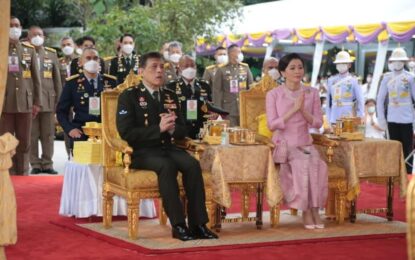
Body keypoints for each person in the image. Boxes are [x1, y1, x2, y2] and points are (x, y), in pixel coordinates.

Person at [116, 52, 217, 241]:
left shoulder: (170, 96)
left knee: (192, 165)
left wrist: (171, 131)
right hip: (142, 151)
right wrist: (158, 129)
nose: (159, 71)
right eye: (154, 67)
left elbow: (182, 129)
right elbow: (126, 133)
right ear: (141, 71)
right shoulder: (129, 96)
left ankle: (199, 225)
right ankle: (178, 225)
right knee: (166, 166)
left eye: (162, 67)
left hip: (168, 148)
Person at [266, 53, 328, 229]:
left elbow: (317, 122)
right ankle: (306, 210)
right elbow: (272, 125)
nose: (297, 71)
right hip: (284, 144)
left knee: (318, 164)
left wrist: (303, 111)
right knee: (302, 164)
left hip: (305, 143)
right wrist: (293, 110)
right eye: (292, 68)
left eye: (300, 67)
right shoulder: (274, 95)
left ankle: (315, 209)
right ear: (283, 72)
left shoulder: (312, 92)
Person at [0, 16, 42, 176]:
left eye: (17, 25)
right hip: (5, 102)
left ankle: (23, 172)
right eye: (10, 25)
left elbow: (36, 79)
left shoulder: (28, 50)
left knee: (24, 141)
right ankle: (7, 172)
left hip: (25, 102)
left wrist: (37, 102)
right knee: (6, 140)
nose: (14, 28)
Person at [56, 48, 117, 153]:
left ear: (99, 61)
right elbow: (61, 111)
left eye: (95, 58)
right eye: (88, 58)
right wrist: (70, 129)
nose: (92, 61)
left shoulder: (111, 82)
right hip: (81, 131)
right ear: (80, 62)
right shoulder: (72, 83)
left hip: (106, 131)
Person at [27, 26, 62, 174]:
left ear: (44, 37)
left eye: (39, 34)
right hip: (30, 101)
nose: (37, 37)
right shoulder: (24, 53)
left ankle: (47, 163)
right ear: (28, 37)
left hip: (48, 100)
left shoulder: (51, 54)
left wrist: (59, 103)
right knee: (32, 134)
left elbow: (57, 80)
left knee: (48, 135)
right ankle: (35, 163)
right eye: (34, 35)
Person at [166, 55, 228, 139]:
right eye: (186, 66)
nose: (190, 68)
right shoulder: (171, 87)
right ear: (179, 68)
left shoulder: (204, 85)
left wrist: (213, 114)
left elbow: (209, 106)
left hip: (201, 132)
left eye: (192, 65)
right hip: (181, 133)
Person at [377, 47, 415, 174]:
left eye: (400, 61)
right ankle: (394, 174)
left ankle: (408, 174)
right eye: (395, 61)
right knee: (393, 148)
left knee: (407, 149)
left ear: (404, 62)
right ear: (391, 62)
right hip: (392, 118)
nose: (398, 63)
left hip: (407, 118)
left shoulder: (410, 77)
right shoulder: (387, 77)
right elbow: (380, 99)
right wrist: (381, 118)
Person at [212, 44, 253, 126]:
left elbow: (251, 88)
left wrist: (251, 107)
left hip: (244, 108)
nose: (240, 54)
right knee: (231, 134)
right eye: (238, 52)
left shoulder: (245, 68)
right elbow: (217, 91)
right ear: (231, 53)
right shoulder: (221, 69)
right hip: (228, 109)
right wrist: (218, 110)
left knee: (244, 134)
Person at [326, 50, 364, 125]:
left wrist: (360, 116)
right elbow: (328, 102)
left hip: (349, 116)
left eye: (343, 63)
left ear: (349, 65)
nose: (340, 65)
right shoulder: (331, 80)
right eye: (338, 63)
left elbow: (360, 100)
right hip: (334, 116)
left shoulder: (354, 80)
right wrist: (329, 118)